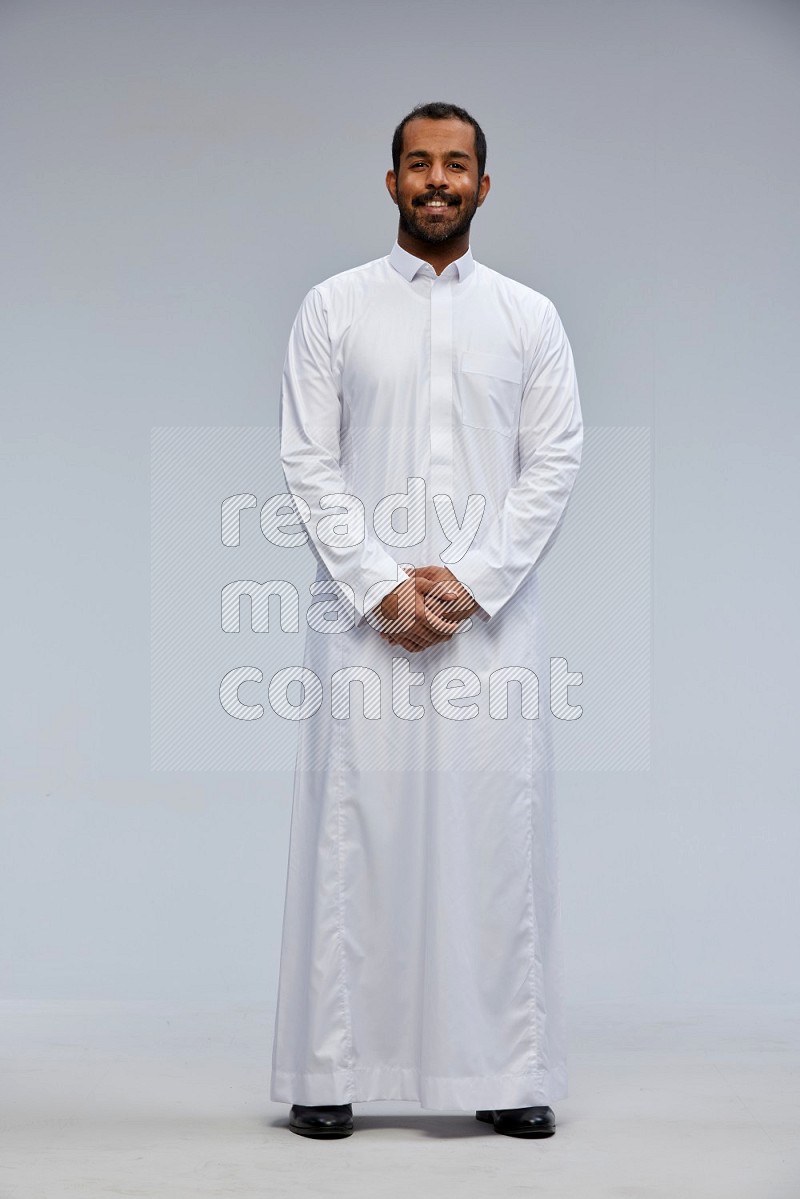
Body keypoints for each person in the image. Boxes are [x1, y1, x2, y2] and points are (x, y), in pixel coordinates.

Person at [270, 101, 583, 1140]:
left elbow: (554, 463)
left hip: (489, 626)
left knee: (491, 837)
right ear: (391, 180)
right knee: (355, 831)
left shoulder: (527, 317)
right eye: (418, 163)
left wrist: (468, 583)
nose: (436, 179)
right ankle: (329, 1066)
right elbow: (308, 458)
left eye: (456, 164)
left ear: (483, 185)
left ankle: (501, 1068)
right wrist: (380, 586)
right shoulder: (333, 307)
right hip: (364, 621)